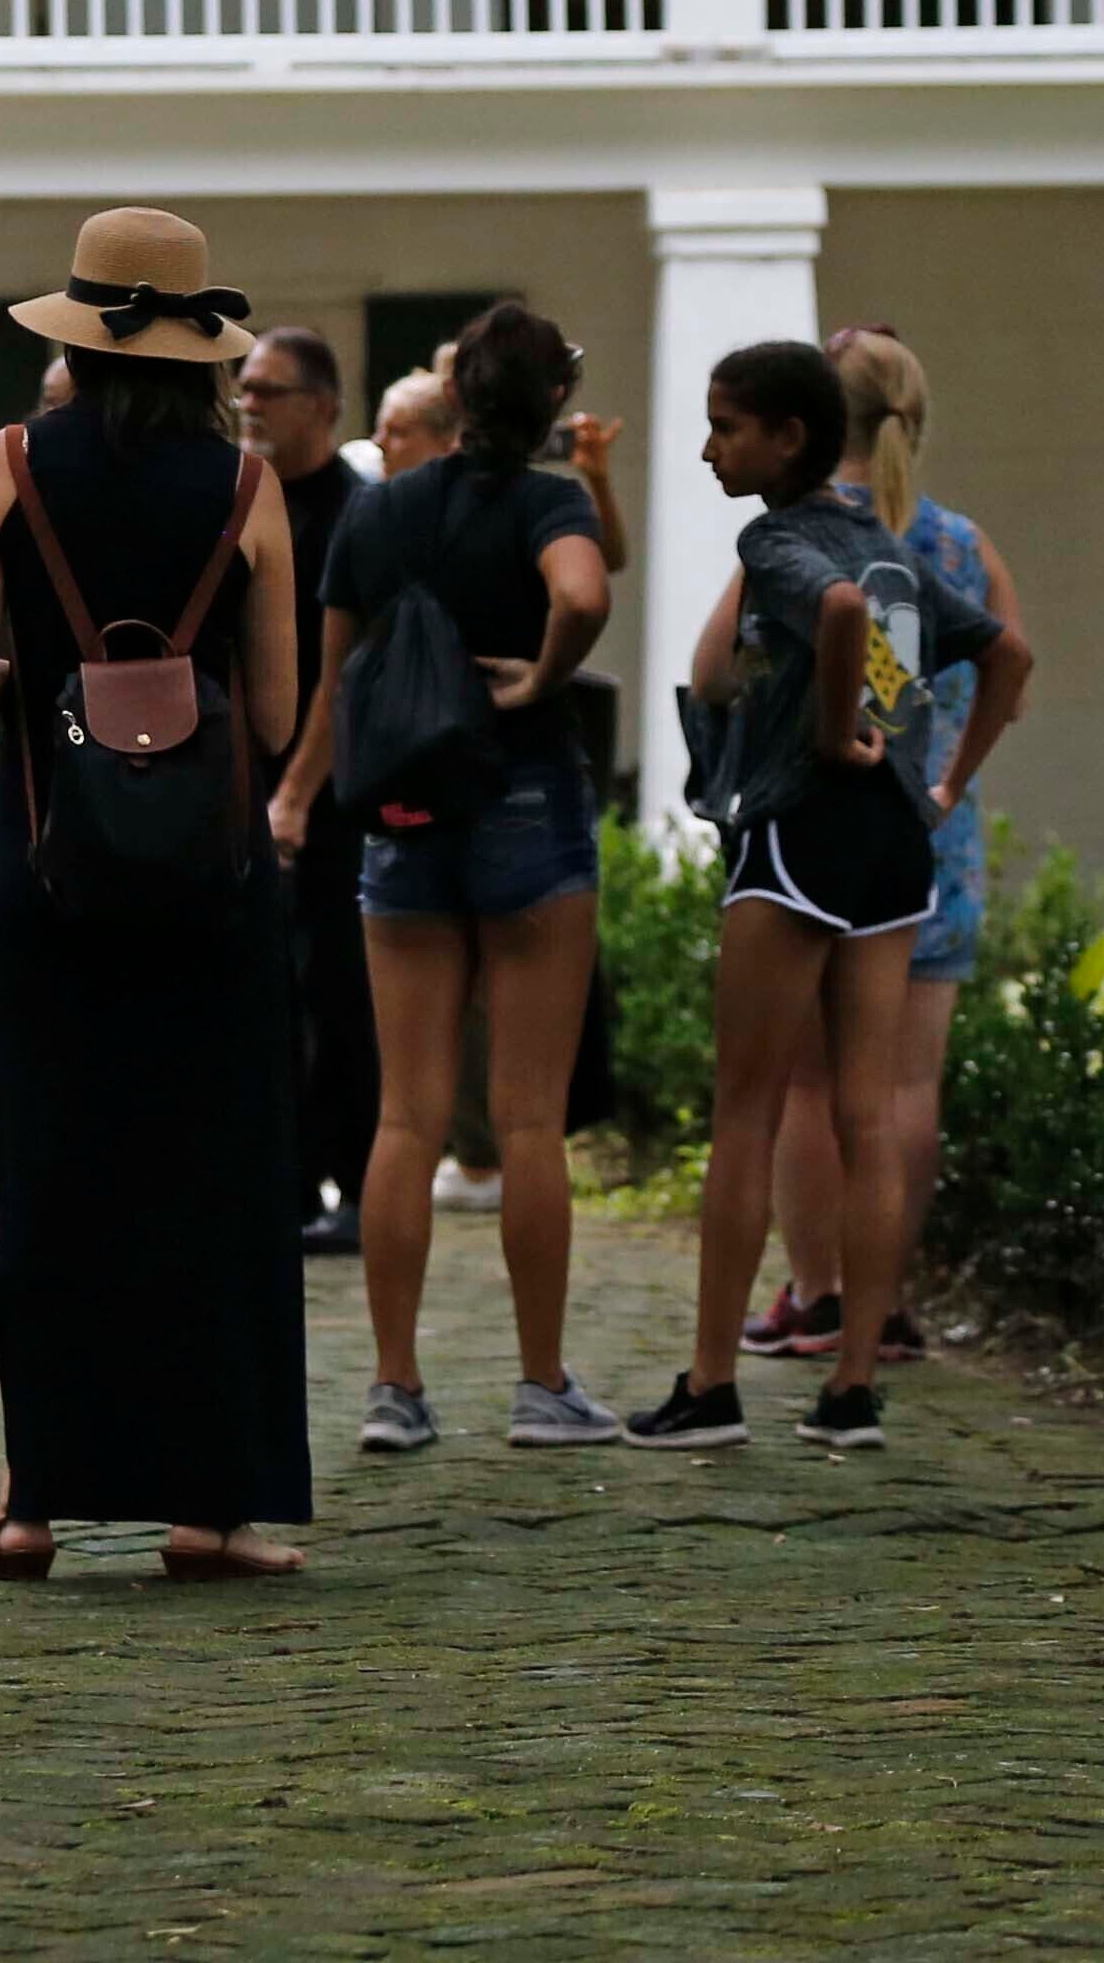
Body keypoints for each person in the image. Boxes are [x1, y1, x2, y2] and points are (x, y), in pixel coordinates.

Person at [0, 208, 314, 1582]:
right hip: (209, 881)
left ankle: (29, 1504)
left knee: (53, 1182)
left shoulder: (7, 463)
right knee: (216, 1179)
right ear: (200, 344)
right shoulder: (248, 485)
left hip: (51, 866)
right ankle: (211, 1512)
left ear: (82, 340)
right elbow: (273, 706)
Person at [629, 340, 1030, 1458]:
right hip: (897, 846)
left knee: (747, 1111)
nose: (710, 448)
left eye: (726, 427)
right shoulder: (894, 542)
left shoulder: (780, 537)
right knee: (868, 1115)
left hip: (801, 833)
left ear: (790, 439)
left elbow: (843, 612)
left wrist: (825, 731)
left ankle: (710, 1385)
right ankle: (853, 1388)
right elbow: (1008, 653)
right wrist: (943, 782)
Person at [274, 297, 620, 1455]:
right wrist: (541, 679)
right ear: (553, 404)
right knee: (526, 1120)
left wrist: (302, 792)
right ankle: (539, 1386)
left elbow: (334, 684)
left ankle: (396, 1388)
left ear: (456, 399)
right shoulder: (549, 501)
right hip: (526, 802)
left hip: (403, 817)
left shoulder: (374, 513)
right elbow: (583, 592)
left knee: (405, 1117)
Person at [751, 328, 1032, 1367]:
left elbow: (722, 668)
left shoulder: (811, 534)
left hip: (827, 840)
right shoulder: (962, 541)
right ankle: (888, 1303)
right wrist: (953, 781)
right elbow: (1016, 670)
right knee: (912, 1092)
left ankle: (819, 1294)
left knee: (814, 1089)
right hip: (936, 842)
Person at [234, 326, 374, 1254]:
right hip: (246, 784)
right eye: (241, 388)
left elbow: (344, 669)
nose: (247, 404)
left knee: (341, 993)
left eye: (267, 390)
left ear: (322, 406)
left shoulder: (355, 511)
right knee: (265, 998)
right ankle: (281, 1188)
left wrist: (296, 793)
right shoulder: (242, 500)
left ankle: (356, 1187)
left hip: (334, 796)